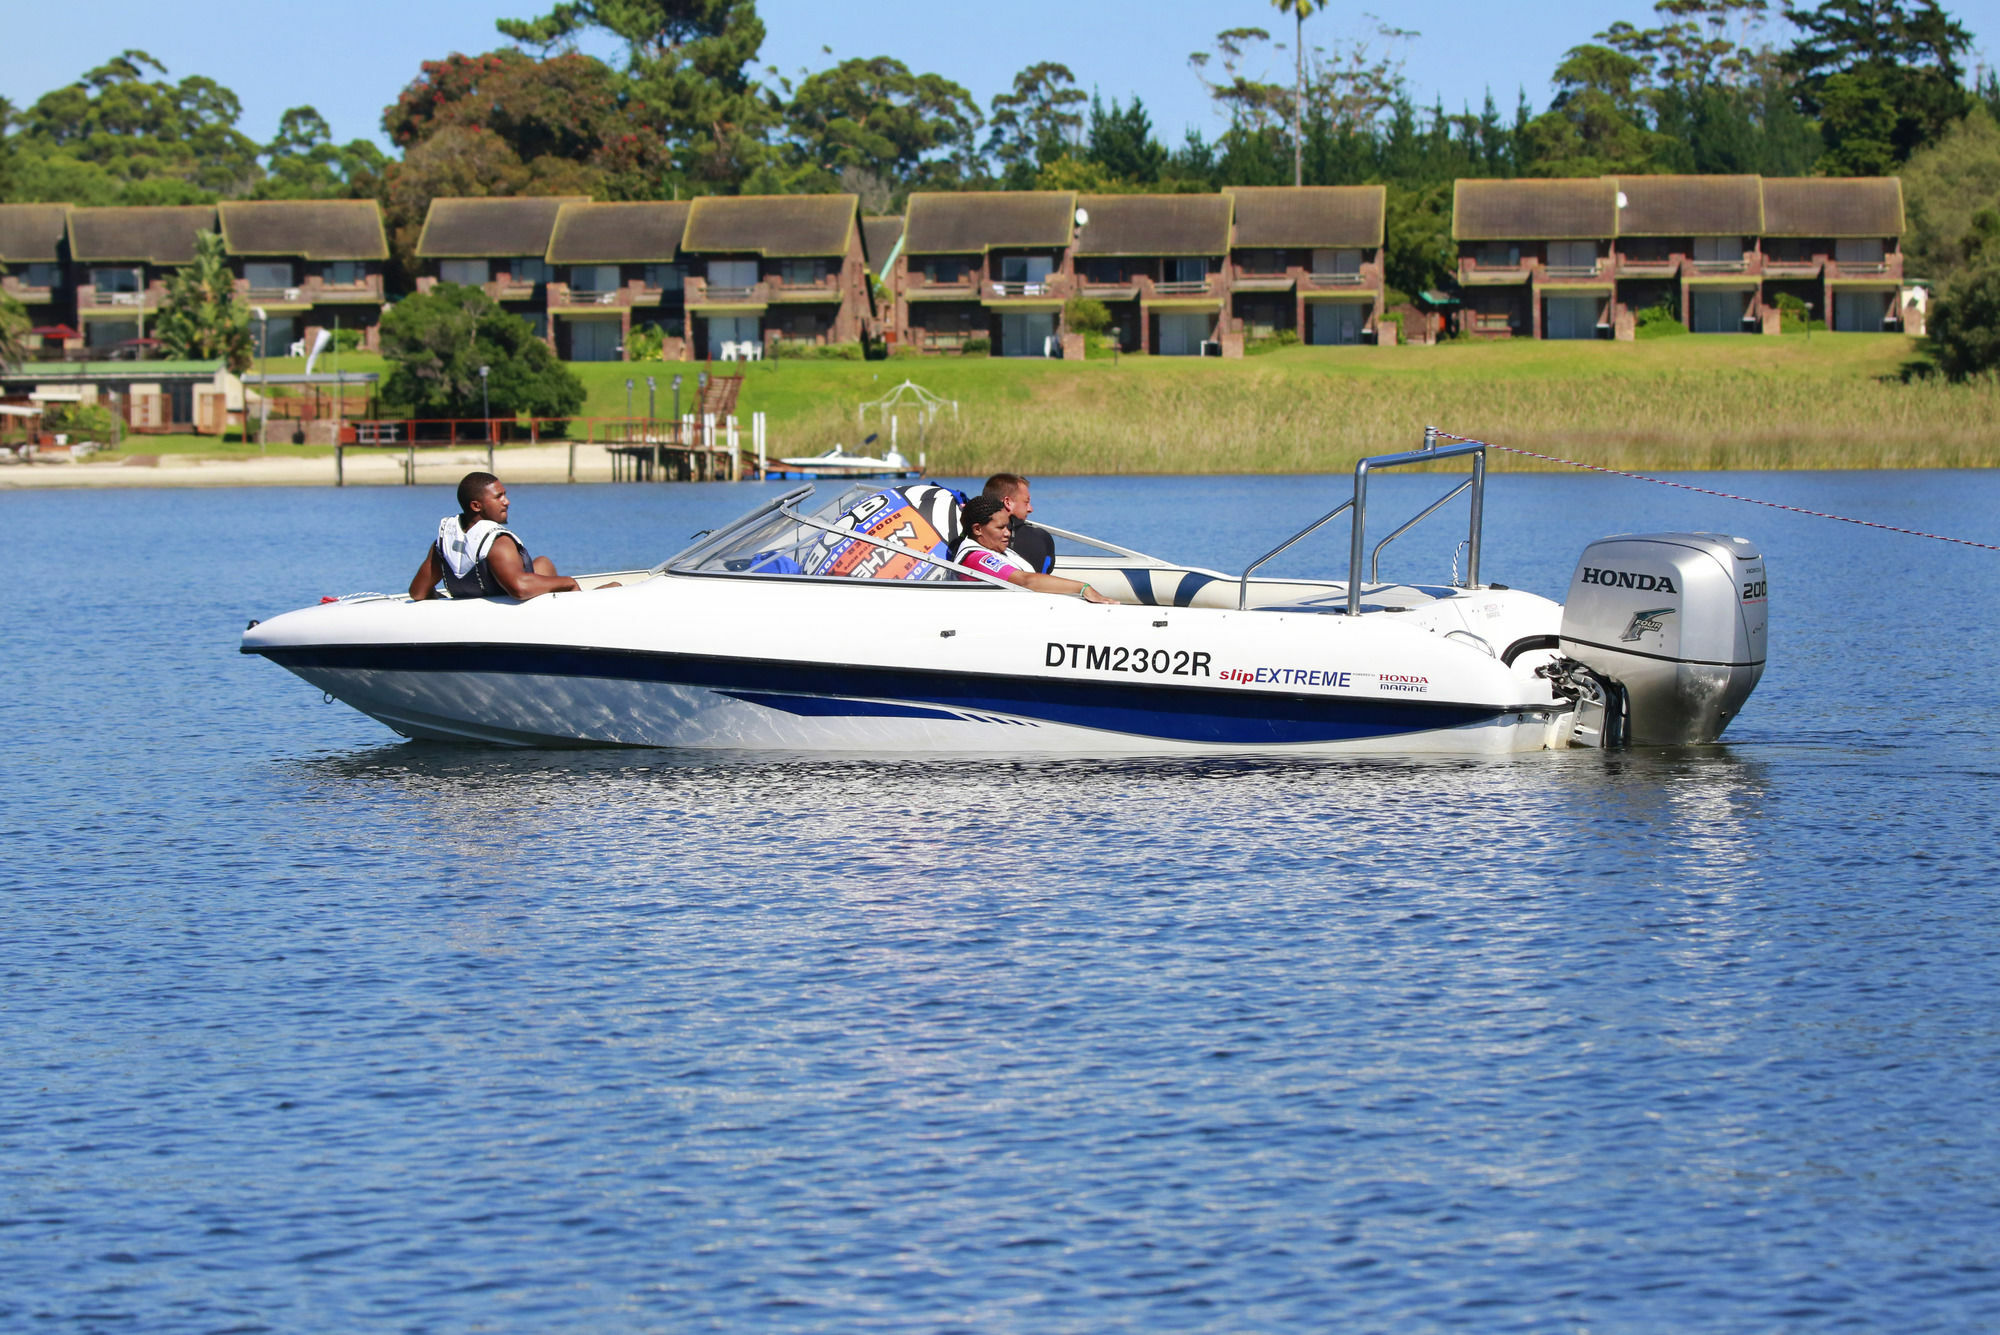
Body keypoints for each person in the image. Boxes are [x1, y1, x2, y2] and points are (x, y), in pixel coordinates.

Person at [409, 471, 605, 601]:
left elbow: (417, 592)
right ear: (476, 505)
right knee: (615, 586)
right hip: (517, 607)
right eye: (498, 497)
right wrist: (568, 582)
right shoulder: (498, 542)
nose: (507, 502)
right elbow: (519, 588)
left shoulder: (444, 544)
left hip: (478, 602)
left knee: (543, 563)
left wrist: (442, 600)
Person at [953, 495, 1113, 602]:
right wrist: (1083, 588)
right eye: (1000, 528)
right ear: (977, 529)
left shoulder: (995, 549)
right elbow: (1025, 581)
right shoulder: (977, 559)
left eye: (1007, 526)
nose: (1007, 533)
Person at [983, 472, 1055, 574]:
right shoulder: (1042, 538)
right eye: (1026, 502)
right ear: (1008, 502)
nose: (1030, 509)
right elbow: (1047, 571)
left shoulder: (973, 534)